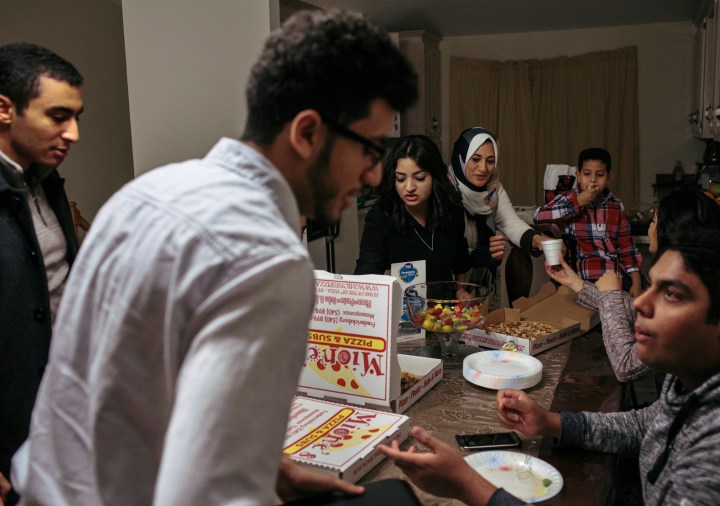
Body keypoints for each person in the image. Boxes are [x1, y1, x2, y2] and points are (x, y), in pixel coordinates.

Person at [12, 10, 418, 506]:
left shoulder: (146, 192)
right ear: (308, 133)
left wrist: (265, 469)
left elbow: (129, 386)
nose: (375, 176)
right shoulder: (269, 261)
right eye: (370, 150)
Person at [381, 230, 720, 505]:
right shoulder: (696, 379)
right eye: (650, 287)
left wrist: (469, 486)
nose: (641, 304)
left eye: (672, 294)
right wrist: (553, 423)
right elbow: (648, 425)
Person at [0, 42, 83, 502]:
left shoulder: (45, 183)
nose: (72, 133)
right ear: (5, 109)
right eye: (57, 116)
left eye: (76, 117)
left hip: (54, 417)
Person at [547, 186, 720, 382]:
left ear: (670, 233)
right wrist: (576, 283)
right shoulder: (698, 283)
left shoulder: (693, 307)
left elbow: (626, 365)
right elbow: (637, 310)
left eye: (654, 222)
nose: (650, 229)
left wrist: (611, 294)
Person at [355, 135, 471, 286]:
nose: (409, 187)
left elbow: (460, 257)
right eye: (401, 179)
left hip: (445, 306)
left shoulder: (451, 209)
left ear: (435, 177)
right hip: (404, 307)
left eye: (420, 178)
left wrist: (460, 289)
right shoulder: (381, 217)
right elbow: (365, 277)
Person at [448, 127, 552, 289]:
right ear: (461, 156)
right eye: (475, 159)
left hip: (482, 281)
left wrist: (536, 239)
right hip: (449, 283)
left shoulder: (493, 188)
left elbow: (510, 223)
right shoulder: (445, 189)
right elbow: (446, 248)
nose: (483, 168)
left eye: (490, 161)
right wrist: (481, 255)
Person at [533, 147, 643, 297]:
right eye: (586, 174)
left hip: (614, 277)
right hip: (582, 277)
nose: (592, 180)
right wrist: (577, 202)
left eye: (600, 175)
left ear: (608, 177)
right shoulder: (568, 199)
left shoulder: (615, 206)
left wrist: (636, 283)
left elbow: (627, 248)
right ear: (578, 175)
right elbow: (539, 216)